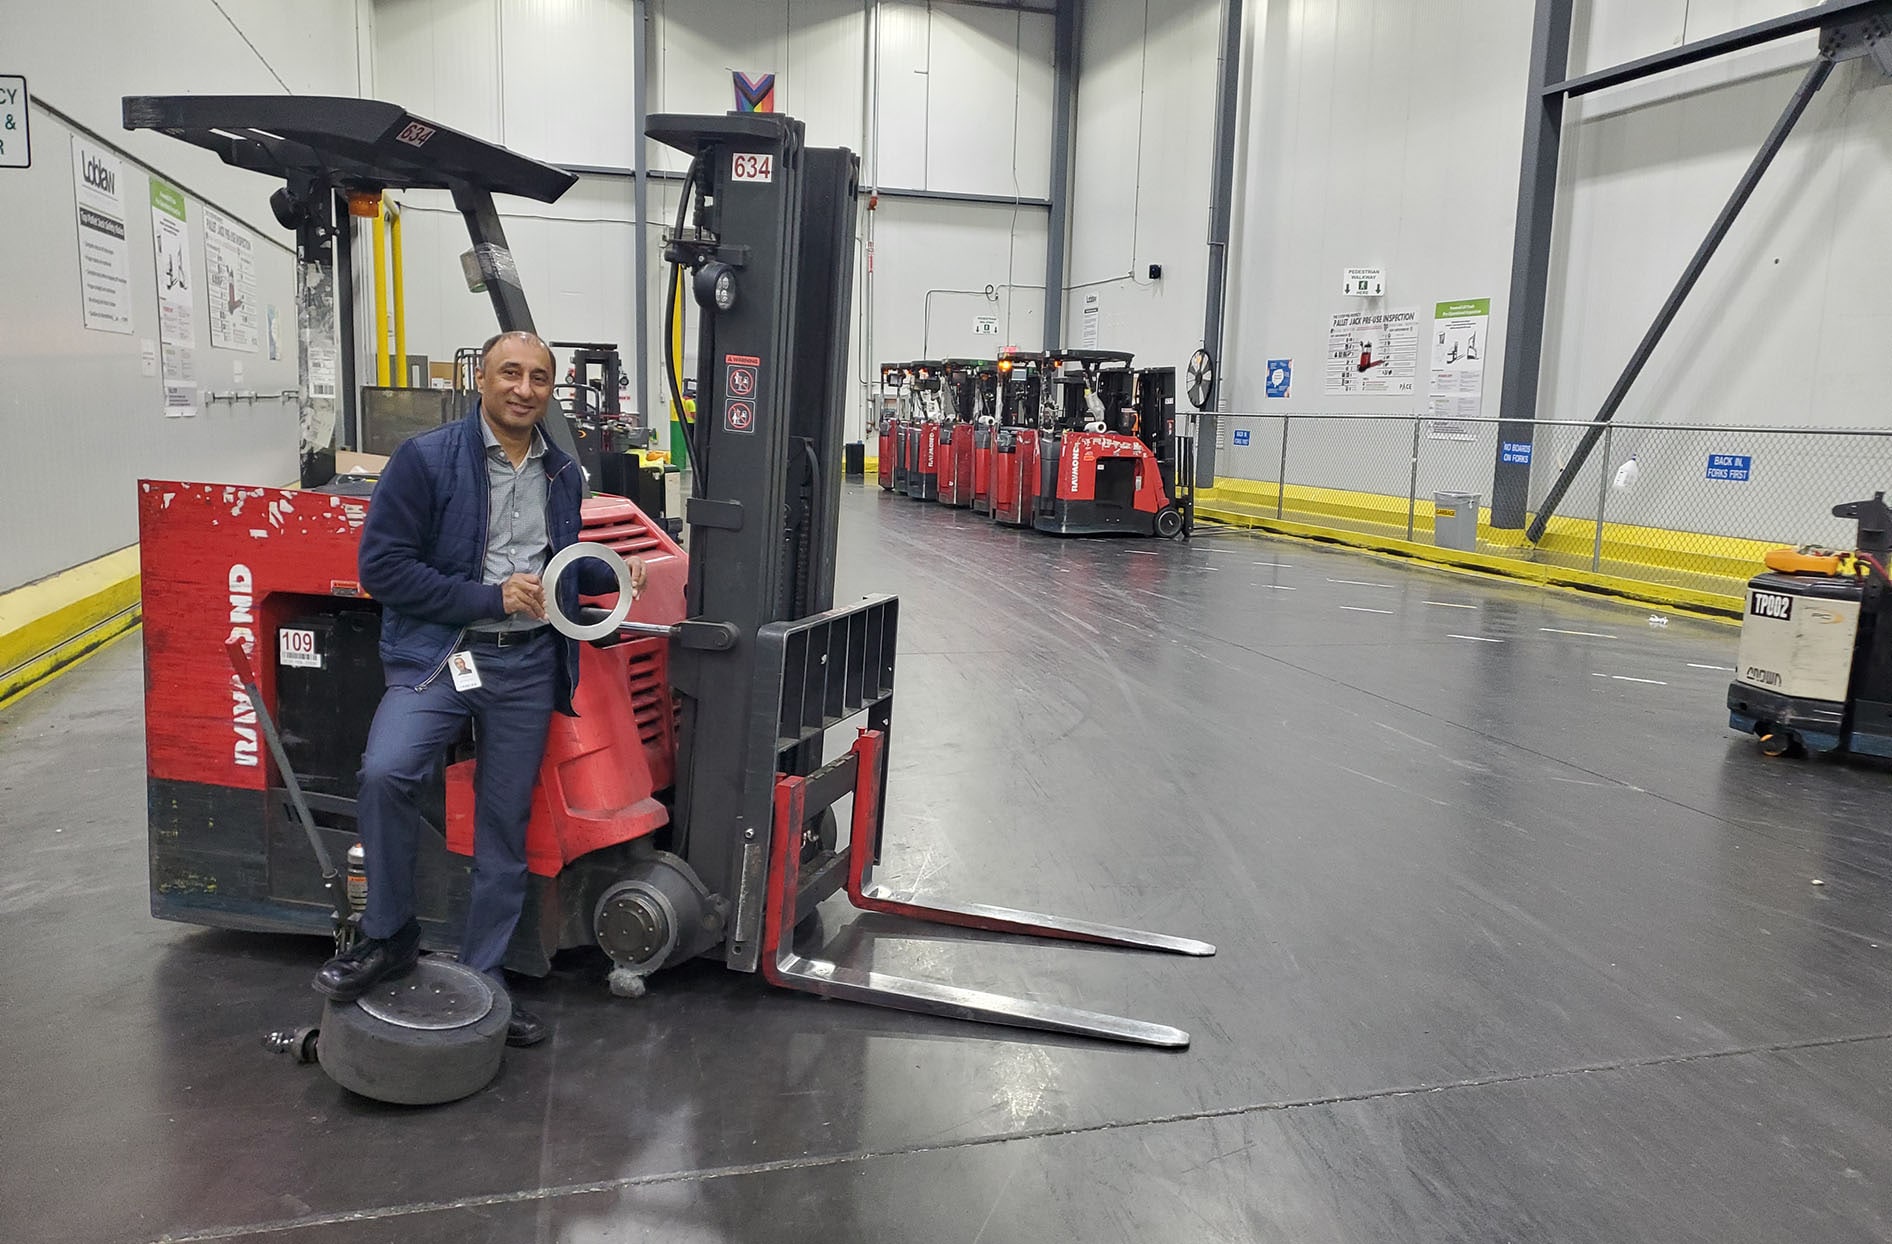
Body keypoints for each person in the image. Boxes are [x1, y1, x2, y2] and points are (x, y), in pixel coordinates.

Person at [312, 330, 648, 1048]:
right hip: (445, 653)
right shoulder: (425, 460)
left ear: (550, 390)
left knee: (505, 826)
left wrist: (613, 573)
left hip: (527, 667)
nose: (523, 388)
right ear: (483, 381)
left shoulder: (562, 473)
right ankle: (388, 936)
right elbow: (384, 570)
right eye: (510, 373)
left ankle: (485, 980)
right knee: (388, 771)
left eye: (538, 377)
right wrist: (490, 598)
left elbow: (556, 570)